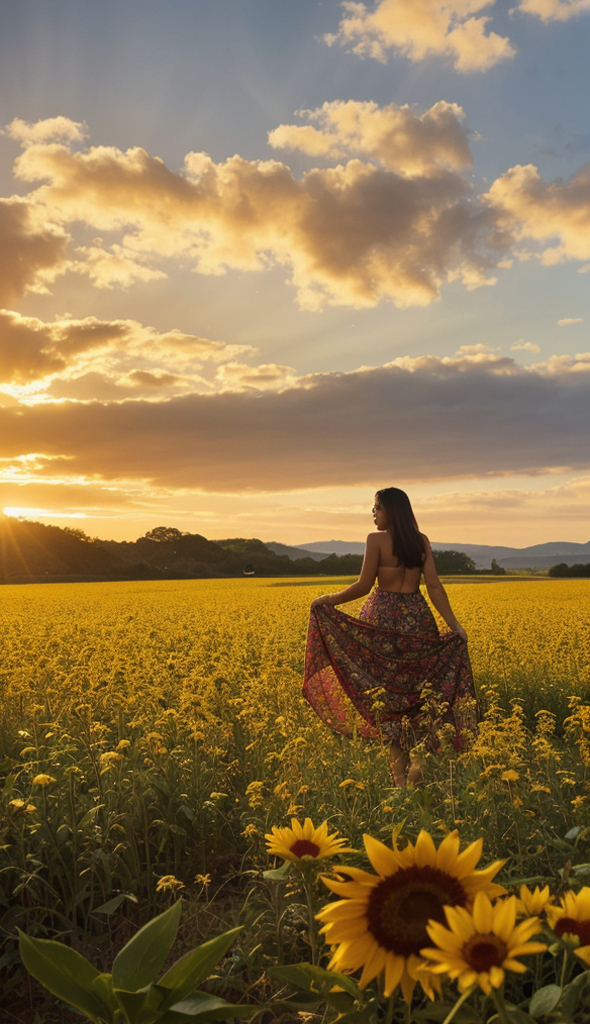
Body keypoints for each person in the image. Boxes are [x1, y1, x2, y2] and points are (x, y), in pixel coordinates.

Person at [303, 487, 477, 786]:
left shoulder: (376, 540)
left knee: (386, 703)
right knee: (421, 698)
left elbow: (363, 584)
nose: (373, 514)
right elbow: (434, 586)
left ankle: (399, 782)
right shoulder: (420, 542)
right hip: (416, 620)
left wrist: (329, 598)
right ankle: (417, 766)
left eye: (377, 508)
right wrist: (454, 626)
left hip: (381, 621)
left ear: (390, 510)